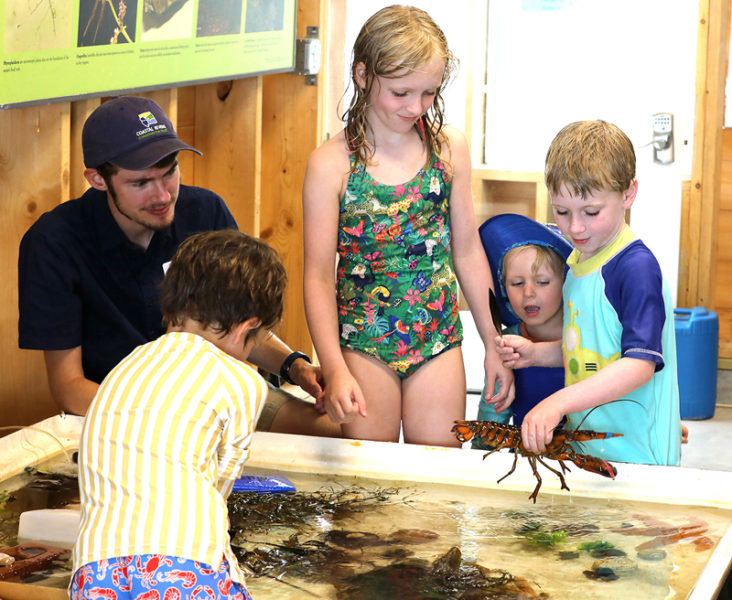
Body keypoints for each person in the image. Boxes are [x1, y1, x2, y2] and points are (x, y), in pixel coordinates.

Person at [17, 95, 340, 437]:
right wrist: (166, 421)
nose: (162, 196)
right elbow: (69, 387)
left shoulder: (204, 211)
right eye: (141, 183)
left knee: (346, 433)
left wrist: (296, 367)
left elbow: (237, 325)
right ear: (97, 179)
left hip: (218, 396)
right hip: (120, 410)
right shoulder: (54, 242)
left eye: (169, 172)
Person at [302, 5, 511, 447]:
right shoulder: (332, 166)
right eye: (400, 93)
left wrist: (493, 342)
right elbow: (318, 276)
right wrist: (335, 367)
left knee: (436, 482)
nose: (415, 107)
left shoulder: (448, 149)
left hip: (436, 337)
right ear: (362, 75)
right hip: (363, 341)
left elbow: (468, 251)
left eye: (429, 93)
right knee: (366, 486)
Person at [70, 229, 284, 600]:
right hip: (185, 566)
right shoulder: (242, 379)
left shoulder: (127, 364)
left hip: (95, 569)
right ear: (247, 328)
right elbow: (221, 482)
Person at [496, 120, 682, 465]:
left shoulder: (635, 268)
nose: (575, 227)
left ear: (628, 194)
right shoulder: (578, 261)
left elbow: (639, 365)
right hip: (592, 447)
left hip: (638, 453)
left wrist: (559, 402)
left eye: (591, 212)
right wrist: (537, 354)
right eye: (562, 212)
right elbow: (589, 348)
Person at [472, 214, 571, 451]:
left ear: (567, 282)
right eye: (517, 283)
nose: (528, 292)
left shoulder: (588, 336)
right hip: (525, 465)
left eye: (542, 282)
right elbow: (490, 427)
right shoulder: (507, 344)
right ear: (503, 288)